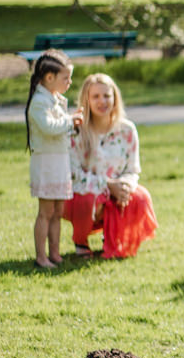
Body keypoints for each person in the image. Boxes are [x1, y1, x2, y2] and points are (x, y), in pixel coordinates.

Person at [63, 73, 158, 259]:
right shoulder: (76, 131)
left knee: (140, 196)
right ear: (87, 100)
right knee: (91, 198)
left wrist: (124, 187)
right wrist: (107, 185)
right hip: (82, 194)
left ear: (115, 98)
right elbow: (73, 175)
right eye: (96, 96)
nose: (102, 101)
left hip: (115, 193)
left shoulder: (127, 130)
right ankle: (81, 241)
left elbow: (132, 170)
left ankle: (113, 237)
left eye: (107, 96)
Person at [24, 50, 76, 269]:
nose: (69, 82)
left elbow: (62, 129)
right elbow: (49, 127)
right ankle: (41, 256)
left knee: (58, 211)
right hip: (46, 163)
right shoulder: (39, 103)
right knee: (45, 212)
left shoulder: (55, 100)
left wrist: (73, 122)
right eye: (66, 78)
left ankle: (55, 252)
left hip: (60, 162)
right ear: (49, 77)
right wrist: (71, 120)